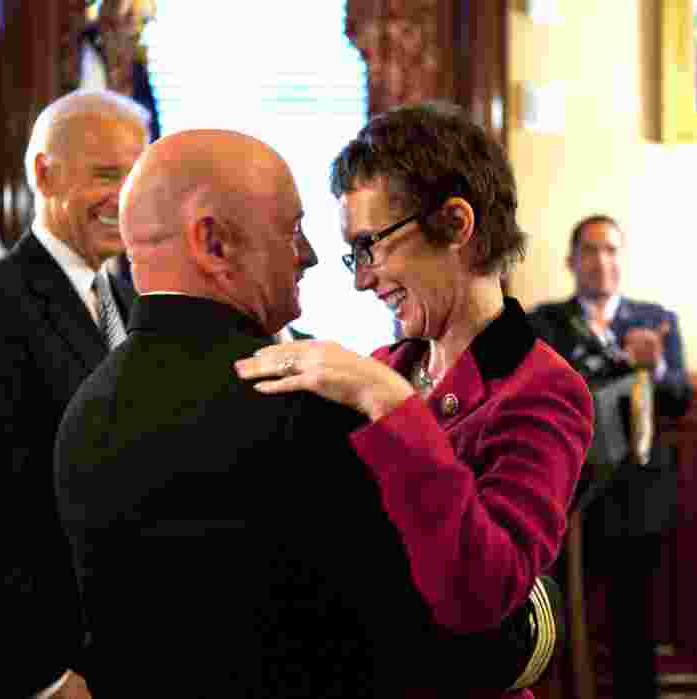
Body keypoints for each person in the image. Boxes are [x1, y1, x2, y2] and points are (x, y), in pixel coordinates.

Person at [232, 102, 593, 699]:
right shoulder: (388, 367)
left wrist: (392, 406)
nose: (361, 279)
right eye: (355, 253)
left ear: (455, 224)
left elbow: (483, 592)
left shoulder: (543, 389)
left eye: (370, 245)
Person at [0, 89, 149, 699]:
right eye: (106, 174)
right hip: (40, 674)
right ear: (43, 173)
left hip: (119, 657)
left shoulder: (128, 301)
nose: (125, 196)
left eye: (137, 175)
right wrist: (44, 676)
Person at [526, 214, 692, 699]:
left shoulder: (656, 320)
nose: (602, 261)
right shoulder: (543, 323)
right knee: (562, 626)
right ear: (571, 261)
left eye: (612, 250)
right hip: (569, 501)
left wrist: (655, 365)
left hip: (638, 500)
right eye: (592, 250)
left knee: (634, 631)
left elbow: (679, 400)